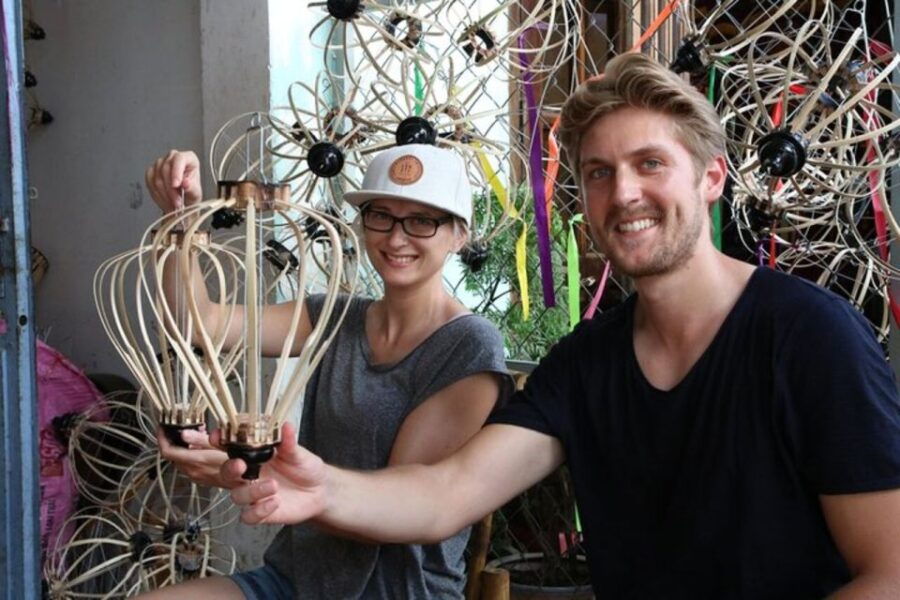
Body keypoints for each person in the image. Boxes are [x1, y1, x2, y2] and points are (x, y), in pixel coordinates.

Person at [221, 53, 900, 598]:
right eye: (599, 173)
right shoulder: (587, 365)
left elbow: (889, 573)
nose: (624, 193)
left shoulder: (811, 338)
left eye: (650, 164)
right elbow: (447, 493)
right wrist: (319, 487)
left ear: (712, 177)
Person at [138, 144, 512, 599]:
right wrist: (182, 218)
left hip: (394, 591)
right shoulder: (334, 316)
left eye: (421, 221)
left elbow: (397, 511)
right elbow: (200, 324)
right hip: (295, 581)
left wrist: (239, 473)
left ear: (458, 235)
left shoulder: (468, 346)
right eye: (381, 215)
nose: (396, 238)